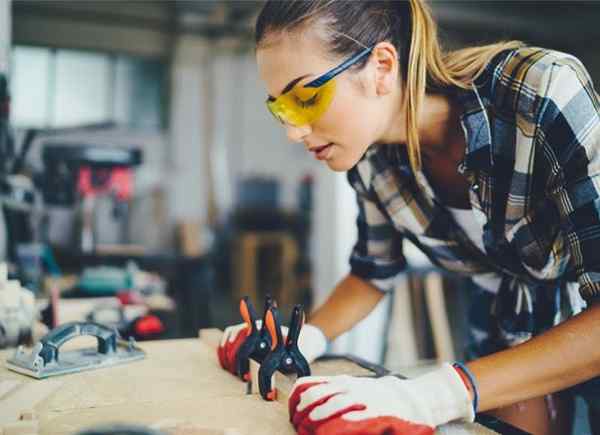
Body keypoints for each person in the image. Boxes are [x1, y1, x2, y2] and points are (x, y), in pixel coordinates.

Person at [218, 1, 600, 434]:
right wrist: (302, 339)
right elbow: (372, 272)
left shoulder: (540, 92)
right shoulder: (371, 160)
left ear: (382, 66)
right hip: (501, 330)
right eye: (282, 109)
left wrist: (431, 395)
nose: (293, 131)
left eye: (305, 97)